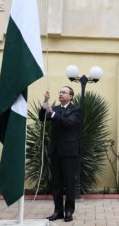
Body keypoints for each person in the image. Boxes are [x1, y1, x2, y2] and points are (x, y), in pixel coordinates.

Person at [39, 86, 82, 222]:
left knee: (69, 183)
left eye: (64, 92)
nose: (61, 94)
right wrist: (45, 103)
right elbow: (42, 118)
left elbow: (68, 123)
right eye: (60, 92)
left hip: (69, 152)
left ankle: (69, 211)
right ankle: (58, 211)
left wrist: (52, 113)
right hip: (55, 151)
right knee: (56, 184)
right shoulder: (56, 109)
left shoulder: (76, 110)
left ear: (71, 96)